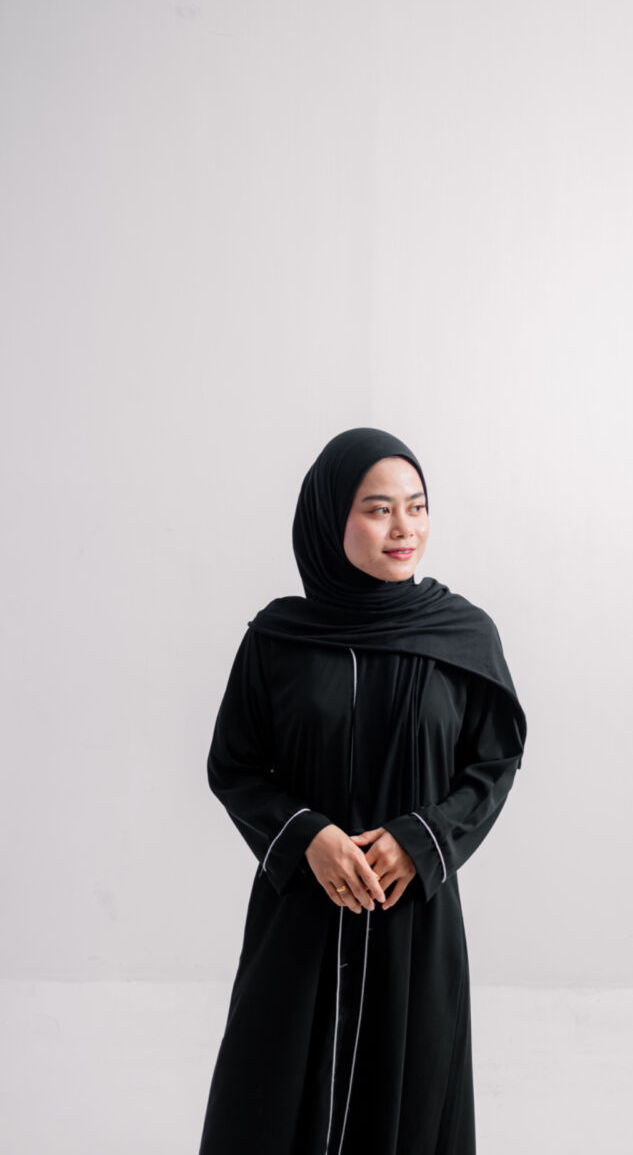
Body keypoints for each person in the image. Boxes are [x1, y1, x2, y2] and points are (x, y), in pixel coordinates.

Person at [198, 427, 526, 1155]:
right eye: (379, 509)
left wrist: (422, 841)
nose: (404, 528)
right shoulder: (279, 641)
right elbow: (234, 765)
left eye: (417, 506)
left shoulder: (462, 636)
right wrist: (308, 835)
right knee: (275, 1096)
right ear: (330, 518)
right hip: (301, 919)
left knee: (409, 1100)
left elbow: (494, 763)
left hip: (414, 924)